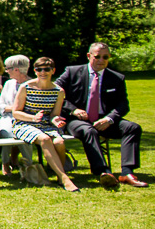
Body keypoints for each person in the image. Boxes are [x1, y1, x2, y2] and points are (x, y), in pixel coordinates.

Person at [55, 42, 147, 188]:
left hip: (104, 120)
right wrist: (73, 110)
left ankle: (127, 172)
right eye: (97, 57)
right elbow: (54, 93)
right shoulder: (72, 72)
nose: (101, 60)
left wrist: (109, 119)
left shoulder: (117, 78)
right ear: (89, 56)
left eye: (105, 57)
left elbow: (123, 105)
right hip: (76, 120)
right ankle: (103, 172)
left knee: (132, 127)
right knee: (88, 130)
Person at [12, 57, 79, 192]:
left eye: (46, 69)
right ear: (35, 71)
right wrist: (33, 118)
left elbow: (54, 115)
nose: (42, 72)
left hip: (46, 125)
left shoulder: (58, 91)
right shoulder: (26, 87)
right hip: (24, 124)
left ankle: (59, 176)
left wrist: (57, 121)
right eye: (38, 69)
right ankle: (64, 178)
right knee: (45, 139)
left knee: (59, 142)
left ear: (53, 71)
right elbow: (16, 113)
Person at [0, 55, 31, 175]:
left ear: (16, 69)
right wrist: (12, 109)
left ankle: (28, 165)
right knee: (5, 132)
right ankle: (5, 163)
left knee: (25, 134)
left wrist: (16, 110)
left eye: (8, 68)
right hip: (7, 117)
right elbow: (0, 105)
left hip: (26, 118)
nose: (6, 71)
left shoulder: (31, 85)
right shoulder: (8, 84)